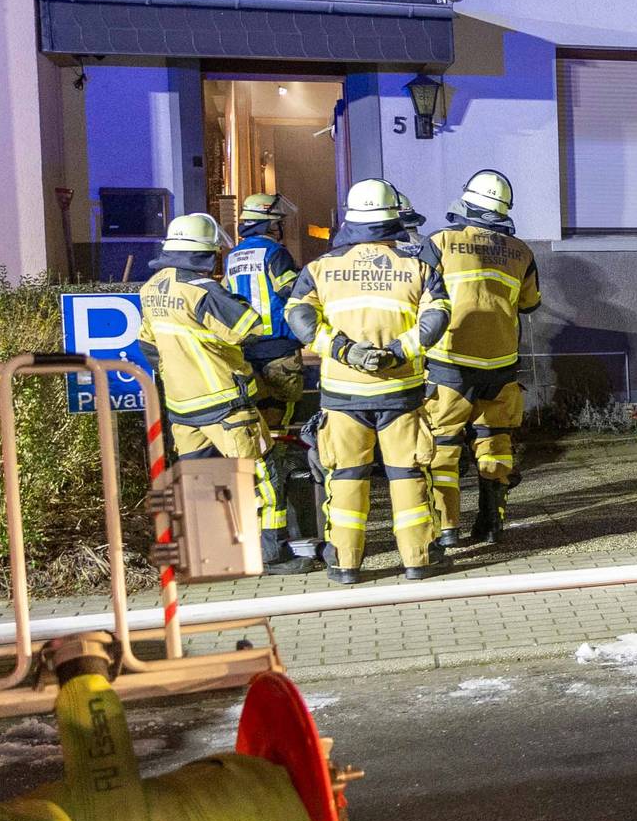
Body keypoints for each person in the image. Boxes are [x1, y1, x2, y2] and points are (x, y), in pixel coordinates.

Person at [287, 179, 452, 584]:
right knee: (408, 474)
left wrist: (345, 351)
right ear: (393, 219)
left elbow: (298, 317)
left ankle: (344, 564)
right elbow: (438, 317)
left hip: (342, 396)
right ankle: (418, 560)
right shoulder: (418, 268)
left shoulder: (319, 269)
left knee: (345, 477)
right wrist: (398, 350)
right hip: (401, 394)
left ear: (351, 219)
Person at [137, 212, 317, 575]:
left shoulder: (152, 287)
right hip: (223, 402)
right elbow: (246, 327)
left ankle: (209, 555)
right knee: (265, 473)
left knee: (199, 479)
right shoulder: (204, 291)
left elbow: (148, 345)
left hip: (182, 407)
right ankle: (273, 554)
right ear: (204, 253)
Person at [424, 170, 543, 548]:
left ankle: (446, 530)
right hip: (502, 365)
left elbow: (416, 296)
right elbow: (530, 303)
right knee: (495, 441)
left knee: (443, 446)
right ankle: (492, 523)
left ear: (467, 202)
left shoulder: (440, 242)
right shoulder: (521, 251)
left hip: (449, 363)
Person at [224, 193, 314, 559]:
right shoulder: (275, 254)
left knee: (259, 423)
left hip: (247, 350)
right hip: (278, 349)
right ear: (270, 223)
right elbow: (291, 292)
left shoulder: (232, 256)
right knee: (281, 425)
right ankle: (282, 500)